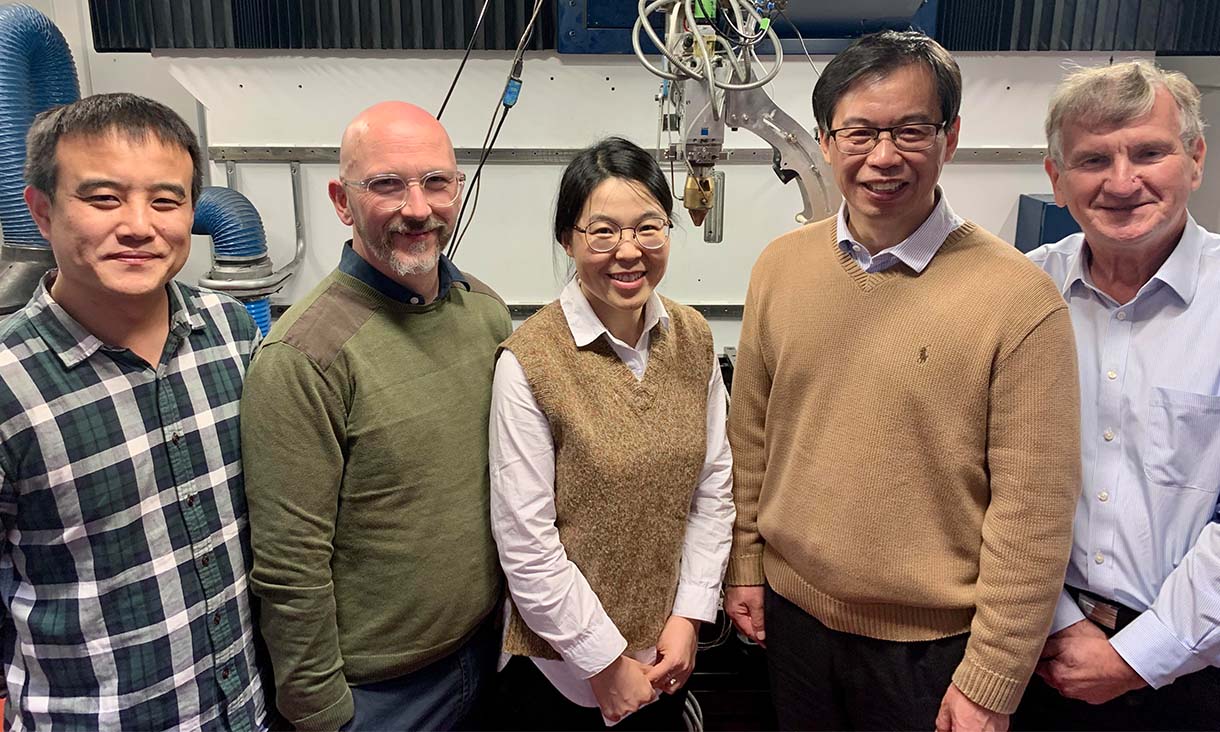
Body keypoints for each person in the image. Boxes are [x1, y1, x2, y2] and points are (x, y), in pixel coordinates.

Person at [722, 30, 1083, 731]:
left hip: (934, 653)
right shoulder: (780, 267)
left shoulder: (1019, 299)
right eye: (859, 132)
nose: (883, 156)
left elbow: (1033, 512)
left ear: (949, 138)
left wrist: (993, 678)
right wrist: (745, 564)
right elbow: (751, 433)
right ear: (824, 142)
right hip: (794, 623)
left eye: (911, 129)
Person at [239, 101, 511, 731]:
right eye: (387, 184)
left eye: (436, 182)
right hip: (378, 697)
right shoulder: (305, 356)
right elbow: (289, 566)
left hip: (485, 655)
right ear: (341, 200)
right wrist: (322, 715)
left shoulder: (485, 313)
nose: (418, 207)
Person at [0, 93, 266, 730]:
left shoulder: (233, 335)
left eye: (166, 200)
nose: (139, 225)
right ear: (42, 210)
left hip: (246, 712)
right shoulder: (9, 383)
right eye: (103, 199)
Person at [489, 137, 734, 730]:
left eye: (648, 227)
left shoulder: (693, 337)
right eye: (603, 232)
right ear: (568, 240)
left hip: (664, 656)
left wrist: (690, 615)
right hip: (562, 676)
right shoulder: (529, 362)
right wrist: (603, 662)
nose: (629, 252)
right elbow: (526, 543)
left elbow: (713, 486)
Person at [1014, 60, 1220, 731]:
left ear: (1194, 157)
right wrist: (1059, 624)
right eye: (1093, 158)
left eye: (1150, 152)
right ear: (1056, 178)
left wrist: (1139, 655)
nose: (1122, 182)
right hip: (1036, 649)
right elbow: (983, 475)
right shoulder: (1019, 295)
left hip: (1192, 672)